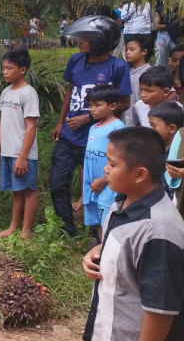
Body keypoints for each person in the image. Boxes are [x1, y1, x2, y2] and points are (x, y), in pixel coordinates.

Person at [82, 127, 184, 341]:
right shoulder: (124, 201)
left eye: (113, 164)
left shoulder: (158, 230)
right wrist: (94, 253)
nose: (105, 169)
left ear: (139, 174)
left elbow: (161, 307)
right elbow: (118, 243)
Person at [52, 15, 131, 236]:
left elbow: (124, 102)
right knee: (58, 182)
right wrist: (61, 121)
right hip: (69, 136)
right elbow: (70, 90)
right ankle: (66, 227)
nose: (80, 42)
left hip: (98, 139)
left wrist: (88, 118)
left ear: (100, 41)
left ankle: (100, 232)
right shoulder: (76, 60)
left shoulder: (118, 67)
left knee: (102, 185)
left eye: (85, 38)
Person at [0, 49, 40, 239]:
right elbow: (2, 121)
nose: (5, 72)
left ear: (22, 70)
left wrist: (22, 156)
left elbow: (31, 127)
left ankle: (26, 231)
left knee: (28, 190)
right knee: (16, 191)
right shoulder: (6, 92)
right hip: (8, 151)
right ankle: (13, 227)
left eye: (9, 68)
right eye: (3, 68)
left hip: (23, 154)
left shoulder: (28, 93)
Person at [82, 84, 125, 241]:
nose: (92, 109)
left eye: (97, 105)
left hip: (107, 184)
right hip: (92, 185)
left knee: (107, 217)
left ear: (112, 106)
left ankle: (108, 252)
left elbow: (119, 159)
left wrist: (103, 180)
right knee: (97, 221)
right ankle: (102, 249)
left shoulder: (117, 127)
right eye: (91, 105)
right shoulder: (93, 127)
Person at [148, 102, 184, 204]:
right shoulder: (152, 149)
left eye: (154, 126)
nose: (151, 130)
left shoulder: (178, 153)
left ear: (172, 128)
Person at [121, 36, 153, 127]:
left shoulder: (150, 72)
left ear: (144, 51)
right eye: (126, 50)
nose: (127, 52)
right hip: (124, 121)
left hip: (142, 122)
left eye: (132, 49)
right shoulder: (124, 71)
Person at [154, 0, 172, 67]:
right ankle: (160, 79)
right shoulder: (159, 9)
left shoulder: (179, 8)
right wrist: (172, 26)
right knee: (161, 61)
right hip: (162, 35)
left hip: (177, 36)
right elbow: (156, 26)